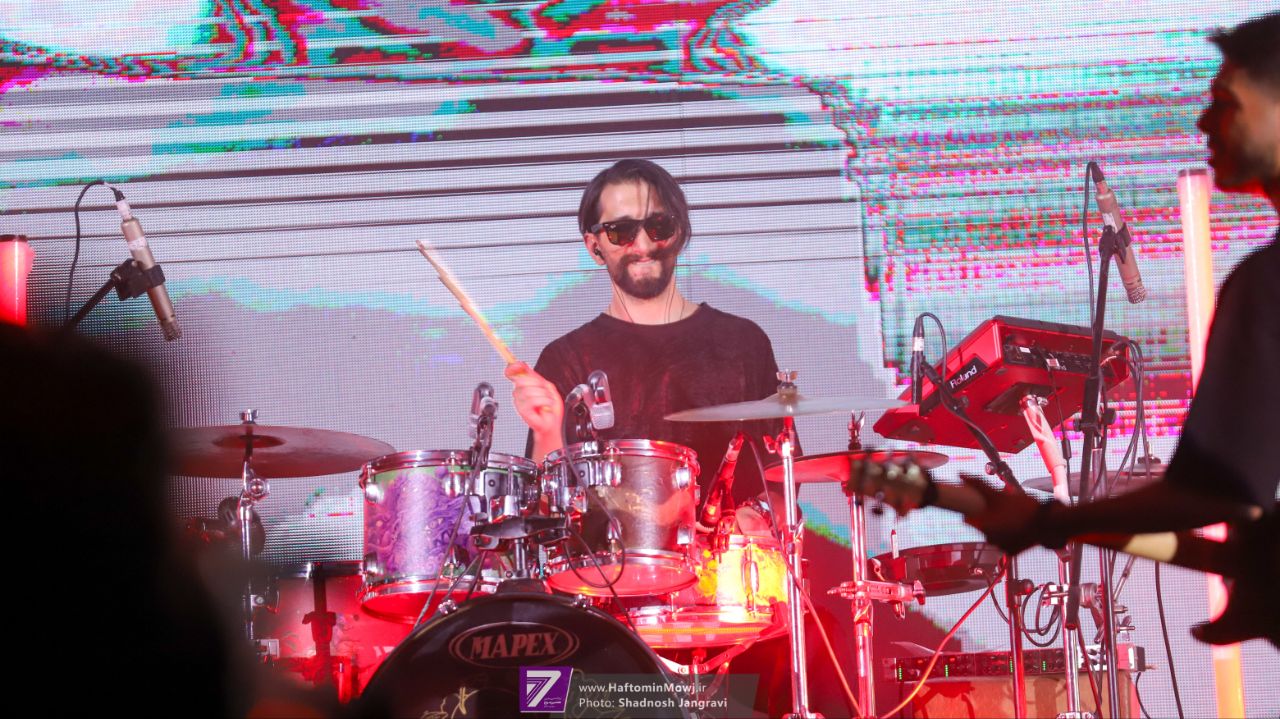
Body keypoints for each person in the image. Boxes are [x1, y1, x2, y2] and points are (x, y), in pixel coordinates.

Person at [960, 11, 1279, 646]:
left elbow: (1210, 492)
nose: (1203, 123)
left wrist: (1050, 520)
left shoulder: (1265, 288)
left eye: (1225, 104)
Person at [504, 158, 785, 508]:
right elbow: (547, 510)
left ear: (679, 233)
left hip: (728, 546)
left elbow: (783, 481)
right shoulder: (565, 359)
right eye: (620, 231)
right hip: (608, 548)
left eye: (658, 226)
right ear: (594, 246)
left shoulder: (744, 343)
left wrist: (757, 515)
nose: (642, 245)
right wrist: (548, 431)